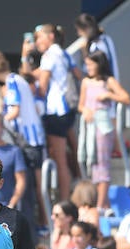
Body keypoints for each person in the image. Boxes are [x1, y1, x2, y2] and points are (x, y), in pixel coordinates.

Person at [0, 50, 47, 225]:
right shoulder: (19, 79)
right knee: (36, 185)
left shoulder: (11, 82)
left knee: (30, 188)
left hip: (27, 140)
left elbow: (15, 110)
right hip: (35, 138)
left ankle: (40, 222)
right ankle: (42, 221)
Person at [30, 24, 80, 199]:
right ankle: (79, 180)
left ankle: (65, 200)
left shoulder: (49, 55)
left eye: (39, 37)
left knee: (60, 160)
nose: (36, 42)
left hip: (56, 112)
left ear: (51, 36)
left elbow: (42, 87)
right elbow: (78, 75)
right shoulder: (63, 53)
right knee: (71, 148)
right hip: (68, 110)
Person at [78, 51, 130, 208]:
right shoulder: (86, 82)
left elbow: (126, 98)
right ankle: (103, 203)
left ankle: (100, 205)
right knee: (91, 164)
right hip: (89, 127)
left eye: (91, 64)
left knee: (102, 165)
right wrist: (85, 110)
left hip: (103, 126)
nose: (88, 68)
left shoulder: (108, 81)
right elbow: (81, 104)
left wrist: (108, 95)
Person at [75, 13, 119, 82]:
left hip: (104, 84)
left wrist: (84, 52)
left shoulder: (98, 44)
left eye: (79, 30)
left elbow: (88, 69)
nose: (79, 34)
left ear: (86, 29)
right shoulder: (104, 40)